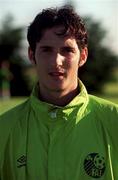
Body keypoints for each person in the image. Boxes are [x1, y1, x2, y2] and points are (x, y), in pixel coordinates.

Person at [0, 5, 118, 180]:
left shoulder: (114, 121)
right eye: (46, 50)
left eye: (67, 50)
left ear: (83, 56)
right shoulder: (4, 128)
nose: (57, 61)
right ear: (32, 55)